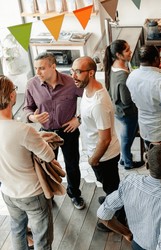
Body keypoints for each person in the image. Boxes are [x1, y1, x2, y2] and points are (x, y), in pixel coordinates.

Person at [0, 75, 56, 250]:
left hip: (8, 191)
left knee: (17, 232)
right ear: (12, 96)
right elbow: (49, 155)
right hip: (32, 193)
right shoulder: (24, 130)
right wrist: (42, 140)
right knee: (42, 240)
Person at [97, 143, 161, 250]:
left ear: (147, 165)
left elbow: (103, 216)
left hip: (136, 243)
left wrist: (126, 233)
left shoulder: (129, 181)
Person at [23, 52, 85, 210]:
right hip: (46, 134)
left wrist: (79, 119)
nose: (38, 72)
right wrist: (32, 118)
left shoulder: (71, 83)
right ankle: (49, 195)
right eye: (36, 68)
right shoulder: (32, 84)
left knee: (72, 165)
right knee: (47, 166)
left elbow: (90, 99)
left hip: (68, 131)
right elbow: (27, 108)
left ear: (53, 66)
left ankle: (74, 194)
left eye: (42, 68)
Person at [71, 56, 125, 231]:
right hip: (97, 151)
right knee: (109, 184)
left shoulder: (98, 103)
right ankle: (112, 199)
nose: (74, 75)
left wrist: (94, 159)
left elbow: (105, 138)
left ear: (91, 73)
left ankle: (119, 218)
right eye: (72, 71)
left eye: (78, 72)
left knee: (112, 187)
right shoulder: (88, 91)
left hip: (104, 155)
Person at [103, 39, 144, 170]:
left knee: (126, 135)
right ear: (119, 55)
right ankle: (127, 162)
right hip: (127, 112)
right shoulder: (123, 76)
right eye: (127, 50)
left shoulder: (113, 66)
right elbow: (127, 100)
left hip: (118, 110)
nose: (130, 52)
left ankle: (124, 158)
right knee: (127, 137)